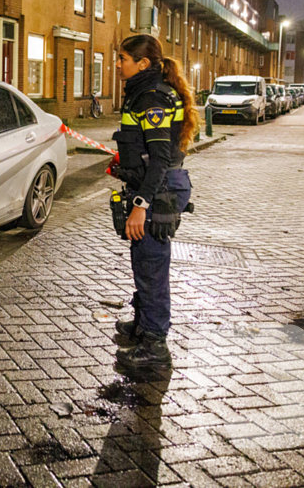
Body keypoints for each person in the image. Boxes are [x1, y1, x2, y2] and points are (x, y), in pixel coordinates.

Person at [110, 34, 198, 370]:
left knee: (151, 268)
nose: (118, 65)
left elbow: (160, 158)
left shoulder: (151, 97)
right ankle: (145, 325)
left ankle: (156, 346)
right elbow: (148, 149)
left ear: (142, 63)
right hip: (152, 185)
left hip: (157, 192)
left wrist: (140, 204)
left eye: (123, 59)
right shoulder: (145, 93)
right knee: (144, 263)